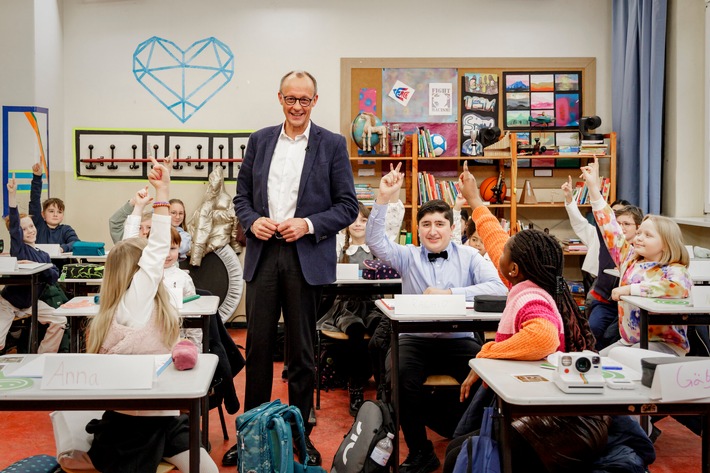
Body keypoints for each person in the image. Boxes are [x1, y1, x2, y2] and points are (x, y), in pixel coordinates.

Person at [230, 70, 359, 467]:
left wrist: (307, 224)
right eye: (291, 99)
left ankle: (300, 438)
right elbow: (241, 198)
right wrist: (252, 221)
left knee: (302, 355)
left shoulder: (332, 145)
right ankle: (251, 434)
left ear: (315, 101)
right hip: (264, 254)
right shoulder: (260, 140)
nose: (298, 106)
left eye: (305, 100)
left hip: (306, 255)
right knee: (258, 351)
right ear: (280, 99)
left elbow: (347, 206)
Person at [366, 163, 507, 473]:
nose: (433, 230)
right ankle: (420, 451)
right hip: (414, 340)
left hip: (459, 340)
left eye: (440, 223)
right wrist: (383, 198)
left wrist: (453, 293)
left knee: (490, 377)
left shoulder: (469, 256)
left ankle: (473, 444)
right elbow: (376, 243)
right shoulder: (407, 255)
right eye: (426, 224)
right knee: (400, 377)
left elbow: (499, 287)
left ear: (451, 228)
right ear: (418, 229)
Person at [84, 157, 218, 473]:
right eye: (144, 263)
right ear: (136, 271)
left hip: (165, 416)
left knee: (207, 469)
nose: (152, 263)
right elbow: (154, 248)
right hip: (133, 427)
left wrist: (136, 210)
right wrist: (163, 192)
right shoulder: (133, 303)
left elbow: (129, 247)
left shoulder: (123, 300)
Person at [580, 160, 693, 355]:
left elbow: (677, 289)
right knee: (594, 360)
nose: (639, 238)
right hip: (630, 341)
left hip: (664, 344)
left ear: (666, 243)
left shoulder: (675, 269)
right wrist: (594, 189)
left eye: (648, 236)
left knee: (614, 358)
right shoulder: (630, 259)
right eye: (639, 232)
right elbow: (610, 228)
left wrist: (629, 289)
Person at [320, 199, 404, 416]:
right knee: (355, 330)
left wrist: (390, 195)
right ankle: (355, 387)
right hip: (346, 306)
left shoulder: (378, 247)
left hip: (374, 304)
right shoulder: (340, 245)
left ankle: (383, 386)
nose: (358, 224)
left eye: (364, 220)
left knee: (381, 328)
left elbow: (394, 220)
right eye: (354, 220)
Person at [0, 174, 67, 354]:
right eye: (24, 229)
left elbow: (53, 276)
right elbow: (14, 226)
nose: (29, 231)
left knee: (60, 320)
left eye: (31, 226)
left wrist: (37, 266)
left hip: (31, 304)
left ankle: (42, 357)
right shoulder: (19, 249)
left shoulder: (43, 254)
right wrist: (12, 196)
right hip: (9, 304)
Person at [586, 204, 643, 350]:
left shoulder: (641, 249)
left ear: (638, 227)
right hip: (605, 301)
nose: (621, 227)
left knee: (612, 336)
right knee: (594, 328)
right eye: (618, 224)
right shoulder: (609, 244)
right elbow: (603, 222)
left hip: (630, 305)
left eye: (627, 224)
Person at [30, 163, 80, 253]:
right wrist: (37, 177)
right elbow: (34, 201)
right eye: (51, 211)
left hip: (61, 265)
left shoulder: (66, 229)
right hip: (41, 264)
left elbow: (75, 242)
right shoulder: (38, 225)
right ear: (43, 214)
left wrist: (62, 248)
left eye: (59, 212)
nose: (55, 214)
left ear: (63, 215)